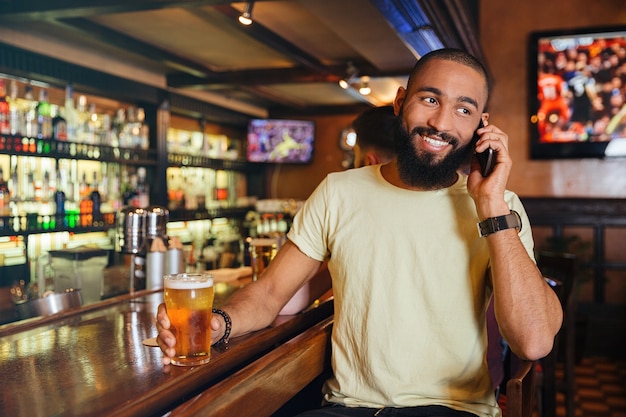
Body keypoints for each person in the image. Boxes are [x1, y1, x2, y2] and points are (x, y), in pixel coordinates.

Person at [157, 48, 563, 417]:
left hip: (450, 409)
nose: (441, 122)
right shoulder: (338, 190)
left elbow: (533, 342)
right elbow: (269, 294)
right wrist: (218, 322)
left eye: (463, 109)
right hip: (346, 408)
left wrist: (490, 206)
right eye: (430, 99)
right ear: (401, 101)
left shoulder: (500, 207)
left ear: (481, 126)